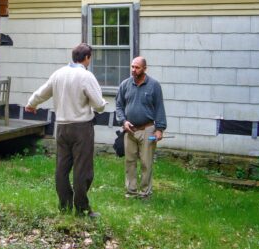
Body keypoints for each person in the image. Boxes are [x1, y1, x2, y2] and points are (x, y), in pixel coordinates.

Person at [25, 43, 107, 217]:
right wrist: (102, 105)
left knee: (62, 169)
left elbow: (43, 92)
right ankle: (82, 209)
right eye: (90, 58)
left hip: (61, 127)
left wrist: (31, 103)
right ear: (87, 58)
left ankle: (64, 206)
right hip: (81, 128)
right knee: (82, 169)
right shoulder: (86, 76)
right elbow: (99, 105)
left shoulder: (58, 74)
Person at [115, 56, 167, 199]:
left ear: (144, 69)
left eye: (137, 67)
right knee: (130, 162)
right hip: (129, 130)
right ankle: (131, 191)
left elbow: (159, 108)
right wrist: (123, 122)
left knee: (146, 163)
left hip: (147, 129)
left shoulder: (154, 86)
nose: (133, 70)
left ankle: (145, 193)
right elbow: (119, 106)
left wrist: (160, 129)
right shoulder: (125, 84)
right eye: (132, 66)